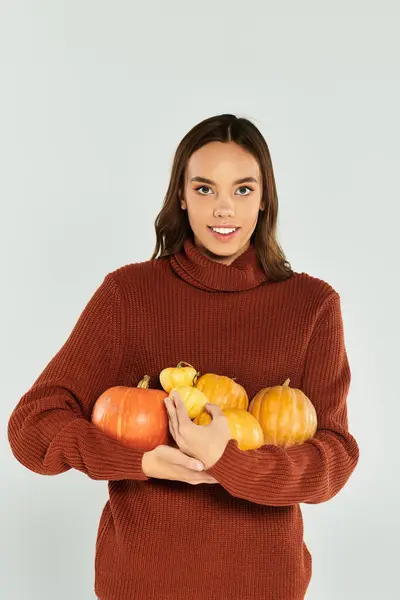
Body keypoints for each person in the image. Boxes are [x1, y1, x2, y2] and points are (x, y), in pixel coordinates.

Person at [7, 113, 359, 600]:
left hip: (265, 586)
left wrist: (225, 461)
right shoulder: (128, 296)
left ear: (264, 200)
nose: (223, 210)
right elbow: (31, 427)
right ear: (180, 196)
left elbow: (333, 461)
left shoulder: (313, 305)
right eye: (204, 189)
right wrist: (140, 461)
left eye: (241, 190)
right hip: (141, 585)